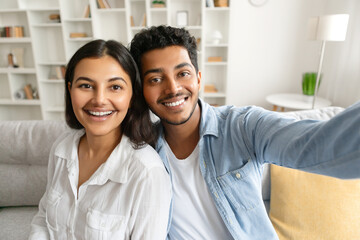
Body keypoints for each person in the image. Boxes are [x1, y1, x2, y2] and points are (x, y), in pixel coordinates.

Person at [129, 25, 360, 240]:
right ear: (142, 91)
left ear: (198, 79)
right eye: (156, 79)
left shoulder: (243, 126)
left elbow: (314, 145)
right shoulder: (142, 151)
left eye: (183, 74)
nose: (173, 88)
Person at [29, 39, 171, 240]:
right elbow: (43, 217)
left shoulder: (146, 173)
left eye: (115, 87)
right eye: (86, 85)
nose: (99, 100)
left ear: (132, 96)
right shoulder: (61, 149)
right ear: (70, 90)